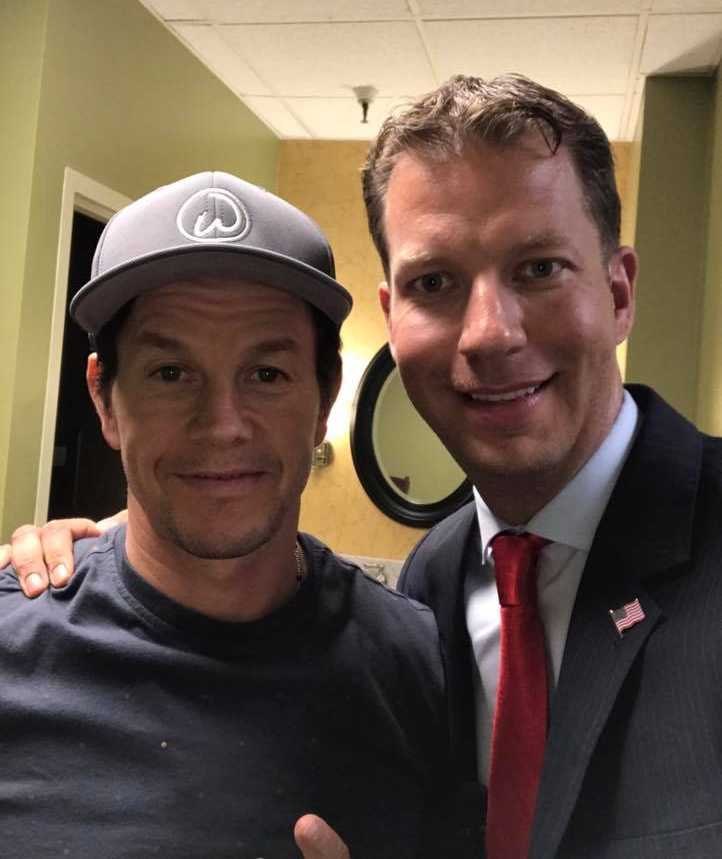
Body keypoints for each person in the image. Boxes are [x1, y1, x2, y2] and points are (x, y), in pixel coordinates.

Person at [6, 74, 722, 857]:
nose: (489, 333)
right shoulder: (435, 591)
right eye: (435, 282)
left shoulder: (400, 643)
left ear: (619, 292)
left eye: (539, 267)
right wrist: (125, 542)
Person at [0, 171, 462, 858]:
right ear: (104, 399)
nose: (222, 425)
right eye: (171, 373)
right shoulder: (12, 644)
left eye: (266, 375)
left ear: (324, 398)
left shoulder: (423, 665)